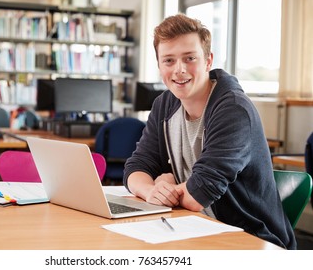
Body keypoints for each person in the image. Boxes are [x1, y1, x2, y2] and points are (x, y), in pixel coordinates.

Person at [123, 13, 296, 249]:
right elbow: (136, 168)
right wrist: (152, 189)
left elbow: (198, 194)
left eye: (190, 58)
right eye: (169, 60)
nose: (179, 70)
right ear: (159, 65)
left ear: (208, 60)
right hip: (193, 228)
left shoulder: (233, 109)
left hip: (251, 241)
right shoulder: (164, 104)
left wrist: (168, 185)